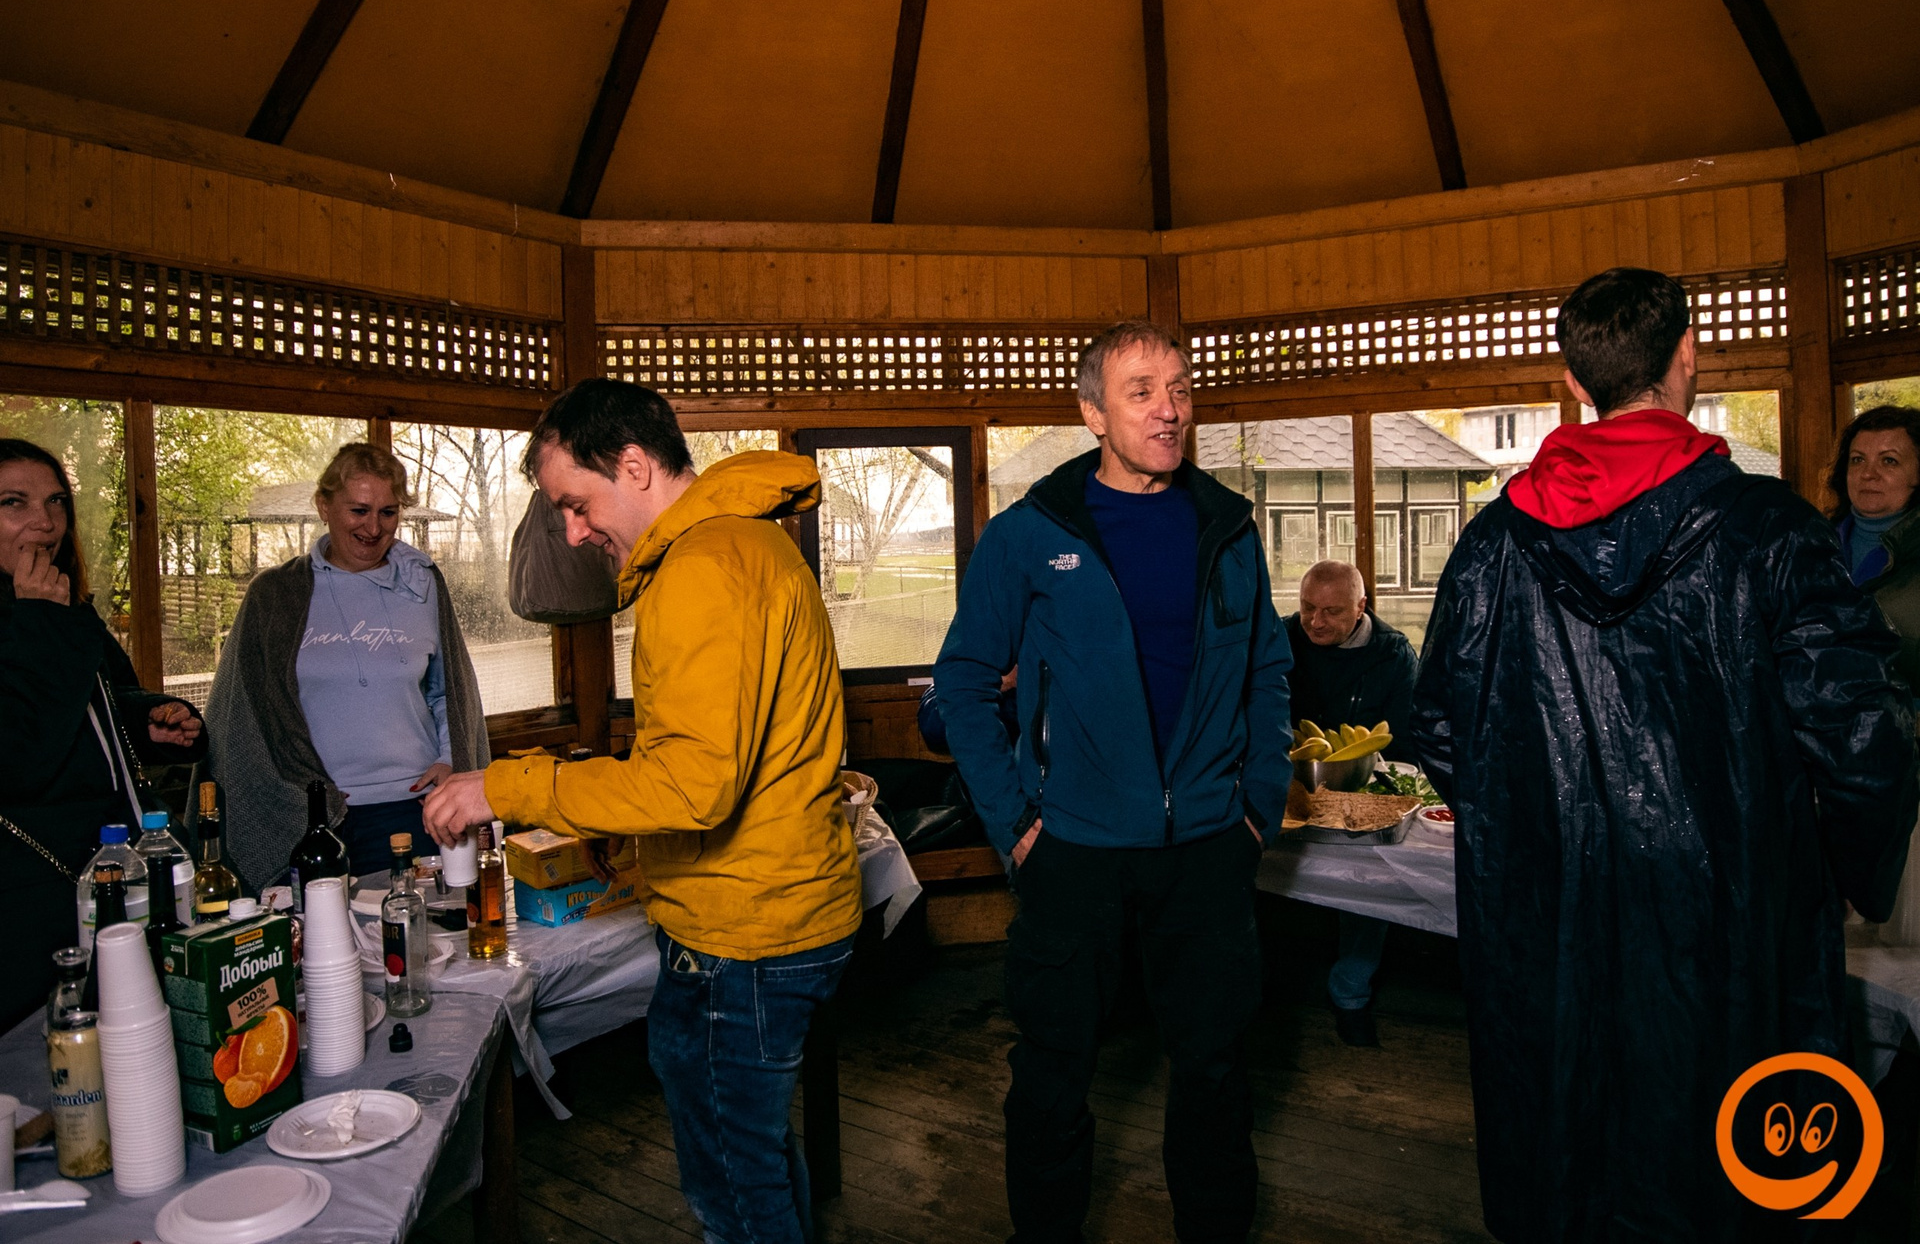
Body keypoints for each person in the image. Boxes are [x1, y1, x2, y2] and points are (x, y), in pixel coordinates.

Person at [1410, 267, 1917, 1242]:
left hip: (1551, 920)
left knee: (1569, 1161)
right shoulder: (1773, 531)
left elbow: (1439, 727)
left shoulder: (1493, 545)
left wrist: (1537, 836)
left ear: (1574, 381)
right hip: (1730, 918)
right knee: (1727, 1170)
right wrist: (1850, 869)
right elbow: (1861, 737)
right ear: (1688, 357)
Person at [422, 379, 861, 1244]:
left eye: (575, 504)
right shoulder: (743, 542)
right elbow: (720, 759)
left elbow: (695, 787)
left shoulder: (703, 566)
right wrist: (625, 837)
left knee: (735, 1190)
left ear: (632, 465)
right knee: (756, 1155)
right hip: (772, 908)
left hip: (744, 935)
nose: (574, 531)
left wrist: (505, 786)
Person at [934, 321, 1293, 1244]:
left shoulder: (1229, 527)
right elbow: (963, 685)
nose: (1168, 410)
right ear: (1093, 413)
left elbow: (1266, 673)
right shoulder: (1029, 535)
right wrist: (1017, 825)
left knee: (1214, 1073)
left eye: (1180, 388)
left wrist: (1256, 807)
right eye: (1141, 392)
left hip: (1208, 848)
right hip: (1074, 851)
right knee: (1053, 1076)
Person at [204, 443, 489, 889]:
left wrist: (452, 758)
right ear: (324, 506)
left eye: (388, 512)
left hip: (413, 810)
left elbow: (448, 692)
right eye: (359, 510)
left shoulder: (422, 584)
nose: (373, 527)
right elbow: (239, 715)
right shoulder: (275, 595)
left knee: (422, 928)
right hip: (310, 817)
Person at [0, 438, 204, 1029]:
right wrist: (37, 619)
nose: (45, 522)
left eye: (56, 502)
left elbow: (95, 710)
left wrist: (154, 721)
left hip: (114, 868)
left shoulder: (66, 603)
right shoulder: (39, 611)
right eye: (15, 503)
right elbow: (19, 757)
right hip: (30, 895)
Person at [1284, 560, 1418, 1048]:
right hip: (1287, 782)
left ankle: (1350, 994)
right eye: (1307, 608)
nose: (1315, 622)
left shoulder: (1393, 654)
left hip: (1361, 788)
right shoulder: (1280, 637)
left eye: (1332, 612)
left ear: (1362, 607)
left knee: (1369, 881)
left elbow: (1404, 744)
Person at [1828, 403, 1920, 943]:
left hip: (1908, 771)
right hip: (1827, 769)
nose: (1869, 474)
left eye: (1889, 460)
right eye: (1858, 459)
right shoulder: (1812, 544)